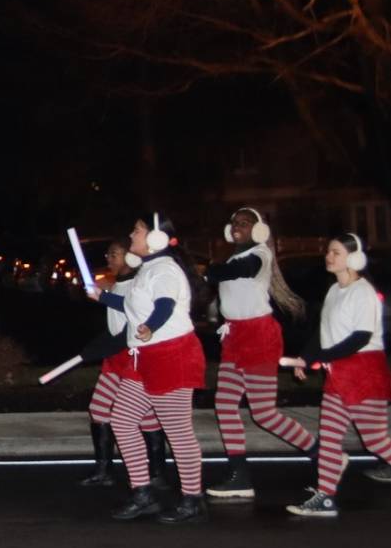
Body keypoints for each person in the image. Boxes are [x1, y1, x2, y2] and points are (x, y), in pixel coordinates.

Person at [93, 213, 209, 524]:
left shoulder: (165, 269)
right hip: (143, 357)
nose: (131, 235)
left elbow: (164, 305)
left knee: (178, 432)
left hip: (171, 356)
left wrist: (150, 326)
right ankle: (143, 494)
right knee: (122, 420)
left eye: (137, 231)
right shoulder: (148, 269)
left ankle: (193, 499)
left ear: (156, 238)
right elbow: (132, 306)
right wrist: (102, 297)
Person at [205, 207, 313, 500]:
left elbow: (238, 271)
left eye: (245, 222)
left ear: (259, 230)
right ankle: (240, 475)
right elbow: (227, 275)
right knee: (225, 404)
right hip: (234, 337)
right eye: (234, 222)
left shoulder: (260, 255)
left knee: (264, 414)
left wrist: (209, 271)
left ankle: (323, 455)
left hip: (258, 337)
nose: (237, 225)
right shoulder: (234, 257)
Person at [287, 233, 391, 517]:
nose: (328, 257)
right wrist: (305, 358)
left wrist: (321, 358)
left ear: (354, 258)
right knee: (330, 437)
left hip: (363, 373)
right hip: (339, 373)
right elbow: (323, 334)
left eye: (336, 252)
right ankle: (326, 497)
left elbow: (360, 338)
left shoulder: (363, 292)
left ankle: (326, 495)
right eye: (329, 251)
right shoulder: (334, 290)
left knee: (375, 441)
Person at [78, 239, 167, 488]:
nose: (108, 258)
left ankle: (156, 474)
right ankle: (104, 470)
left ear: (129, 257)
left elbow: (129, 325)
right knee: (99, 410)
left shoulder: (137, 286)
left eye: (114, 254)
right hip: (114, 359)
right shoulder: (119, 283)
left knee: (147, 417)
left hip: (132, 357)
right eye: (108, 254)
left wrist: (97, 348)